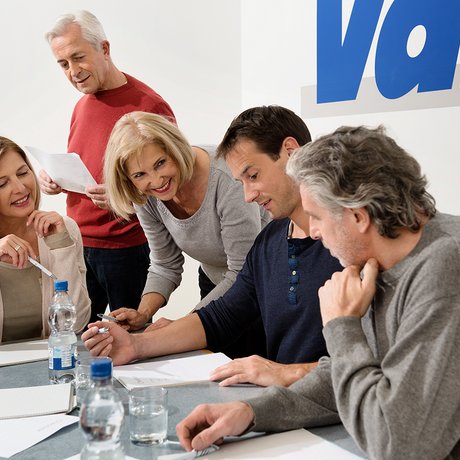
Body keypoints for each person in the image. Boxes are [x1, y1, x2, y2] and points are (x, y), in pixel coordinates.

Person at [175, 126, 460, 460]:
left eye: (316, 217)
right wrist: (251, 413)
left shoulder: (444, 267)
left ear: (358, 216)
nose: (314, 231)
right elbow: (343, 375)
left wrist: (342, 326)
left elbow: (401, 445)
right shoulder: (377, 259)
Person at [83, 105, 342, 386]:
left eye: (253, 176)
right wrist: (137, 343)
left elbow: (370, 366)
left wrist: (285, 373)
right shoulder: (268, 245)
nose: (247, 196)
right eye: (140, 175)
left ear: (291, 151)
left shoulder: (351, 243)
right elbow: (220, 316)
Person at [38, 10, 176, 324]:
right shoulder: (81, 106)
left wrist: (124, 198)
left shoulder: (148, 105)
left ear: (104, 49)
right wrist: (55, 179)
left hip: (126, 249)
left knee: (131, 341)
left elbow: (171, 183)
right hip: (78, 246)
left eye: (78, 57)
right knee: (79, 339)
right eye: (63, 64)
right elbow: (85, 164)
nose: (73, 71)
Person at [102, 111, 269, 357]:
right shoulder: (145, 195)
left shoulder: (226, 179)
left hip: (260, 285)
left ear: (176, 148)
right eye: (140, 174)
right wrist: (143, 313)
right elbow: (165, 264)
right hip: (215, 282)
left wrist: (181, 328)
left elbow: (242, 272)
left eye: (161, 163)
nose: (156, 180)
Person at [0, 137, 90, 342]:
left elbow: (76, 324)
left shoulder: (63, 228)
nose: (21, 188)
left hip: (48, 363)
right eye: (2, 183)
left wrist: (61, 245)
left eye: (23, 173)